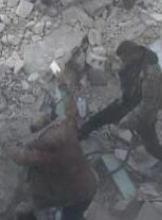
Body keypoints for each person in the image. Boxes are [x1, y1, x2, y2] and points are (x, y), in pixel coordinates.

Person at [9, 73, 98, 220]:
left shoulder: (44, 154)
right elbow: (71, 109)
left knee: (63, 214)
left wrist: (2, 139)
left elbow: (18, 157)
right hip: (89, 185)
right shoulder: (67, 130)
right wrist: (63, 86)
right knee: (75, 214)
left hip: (71, 196)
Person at [80, 40, 162, 163]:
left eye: (125, 59)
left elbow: (148, 104)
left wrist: (129, 119)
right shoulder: (135, 61)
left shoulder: (151, 74)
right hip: (129, 101)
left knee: (152, 147)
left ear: (133, 54)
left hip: (145, 114)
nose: (124, 62)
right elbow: (122, 71)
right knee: (100, 117)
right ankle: (80, 134)